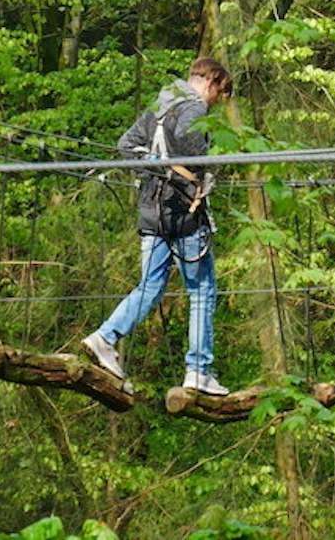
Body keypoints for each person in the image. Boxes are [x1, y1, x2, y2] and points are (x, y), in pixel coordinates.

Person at [80, 56, 233, 395]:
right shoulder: (194, 108)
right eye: (218, 94)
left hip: (151, 211)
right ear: (211, 83)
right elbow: (186, 138)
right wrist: (203, 172)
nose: (215, 103)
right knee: (202, 291)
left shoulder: (160, 105)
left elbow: (125, 145)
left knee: (149, 286)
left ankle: (105, 337)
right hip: (181, 214)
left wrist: (157, 168)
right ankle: (198, 370)